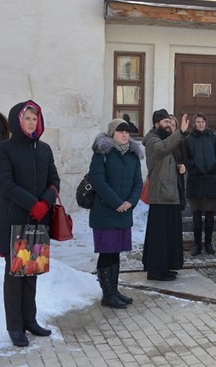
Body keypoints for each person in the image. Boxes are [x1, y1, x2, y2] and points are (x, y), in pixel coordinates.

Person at [0, 100, 58, 347]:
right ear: (17, 121)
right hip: (15, 221)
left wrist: (45, 202)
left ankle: (30, 320)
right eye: (27, 118)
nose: (31, 123)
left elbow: (54, 180)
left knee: (31, 272)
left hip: (39, 221)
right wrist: (33, 204)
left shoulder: (44, 149)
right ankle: (15, 326)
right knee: (15, 275)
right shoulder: (5, 149)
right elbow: (5, 184)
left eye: (34, 118)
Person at [89, 118, 144, 309]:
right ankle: (107, 294)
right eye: (120, 131)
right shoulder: (102, 153)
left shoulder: (133, 155)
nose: (124, 135)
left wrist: (130, 202)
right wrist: (117, 203)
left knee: (116, 253)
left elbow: (138, 182)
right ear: (112, 133)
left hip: (124, 212)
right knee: (107, 252)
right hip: (105, 212)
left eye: (127, 131)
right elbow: (98, 181)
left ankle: (114, 290)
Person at [142, 109, 189, 281]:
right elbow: (162, 149)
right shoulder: (152, 140)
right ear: (157, 124)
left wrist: (181, 167)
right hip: (160, 194)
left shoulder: (168, 139)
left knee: (169, 235)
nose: (169, 125)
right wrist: (180, 132)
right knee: (159, 236)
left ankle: (166, 266)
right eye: (166, 122)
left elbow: (173, 159)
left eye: (170, 122)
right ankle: (155, 270)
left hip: (172, 193)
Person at [185, 113, 216, 256]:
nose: (200, 124)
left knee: (209, 214)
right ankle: (197, 244)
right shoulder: (189, 139)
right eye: (198, 122)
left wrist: (214, 165)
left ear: (206, 123)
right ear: (194, 124)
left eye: (202, 121)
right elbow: (186, 157)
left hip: (211, 180)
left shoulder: (213, 137)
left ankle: (208, 243)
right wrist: (194, 166)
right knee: (196, 214)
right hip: (195, 180)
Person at [168, 114, 188, 208]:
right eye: (169, 125)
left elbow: (184, 159)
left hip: (177, 180)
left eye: (173, 125)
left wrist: (183, 166)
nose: (171, 127)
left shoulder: (180, 141)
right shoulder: (159, 141)